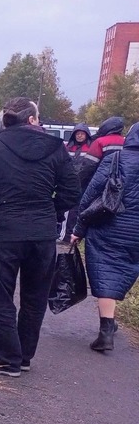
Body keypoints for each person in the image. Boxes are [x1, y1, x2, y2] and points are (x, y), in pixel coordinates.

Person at [0, 97, 80, 377]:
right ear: (31, 119)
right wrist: (50, 211)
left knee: (1, 297)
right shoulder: (56, 148)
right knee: (34, 298)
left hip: (5, 231)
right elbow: (71, 192)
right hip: (42, 234)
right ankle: (24, 357)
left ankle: (7, 360)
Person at [71, 123, 139, 352]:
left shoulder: (115, 160)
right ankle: (110, 322)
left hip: (108, 228)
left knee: (106, 274)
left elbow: (90, 195)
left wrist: (78, 228)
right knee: (122, 272)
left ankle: (106, 332)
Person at [61, 124, 93, 241]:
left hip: (85, 183)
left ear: (86, 135)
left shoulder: (91, 148)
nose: (79, 136)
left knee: (81, 208)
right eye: (77, 134)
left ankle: (77, 234)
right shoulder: (68, 147)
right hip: (69, 183)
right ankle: (66, 235)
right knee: (68, 210)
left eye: (82, 134)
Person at [77, 116, 126, 193]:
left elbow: (88, 166)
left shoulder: (99, 142)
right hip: (121, 182)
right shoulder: (126, 142)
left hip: (100, 182)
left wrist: (78, 182)